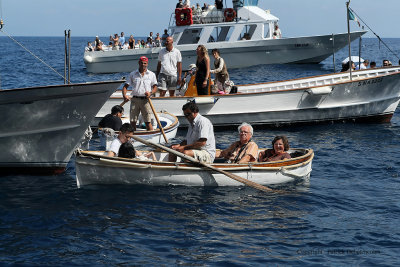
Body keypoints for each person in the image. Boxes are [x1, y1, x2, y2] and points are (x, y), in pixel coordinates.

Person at [122, 56, 158, 131]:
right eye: (141, 63)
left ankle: (150, 137)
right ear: (139, 63)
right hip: (135, 100)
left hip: (146, 101)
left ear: (147, 64)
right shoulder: (133, 74)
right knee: (132, 121)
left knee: (148, 121)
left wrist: (150, 93)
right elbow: (125, 87)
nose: (143, 65)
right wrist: (124, 95)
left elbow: (155, 87)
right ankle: (133, 138)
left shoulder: (151, 74)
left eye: (145, 63)